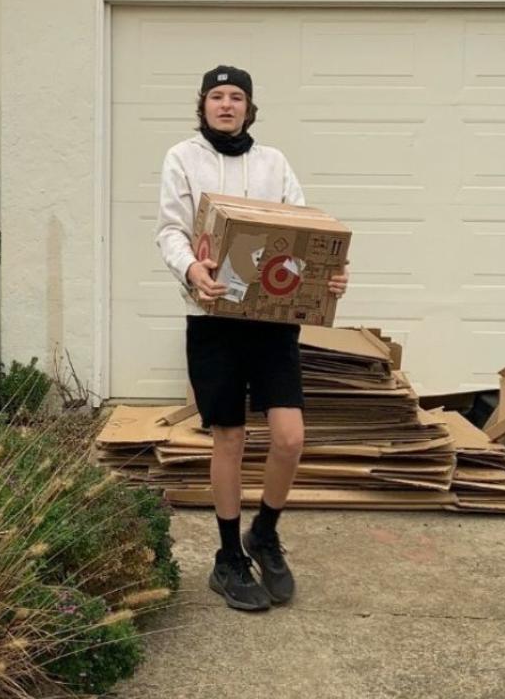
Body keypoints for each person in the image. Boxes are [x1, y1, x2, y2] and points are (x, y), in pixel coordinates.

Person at [155, 65, 348, 612]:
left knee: (289, 437)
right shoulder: (182, 159)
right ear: (203, 105)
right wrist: (192, 269)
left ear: (249, 107)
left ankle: (264, 533)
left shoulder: (274, 164)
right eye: (216, 96)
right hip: (213, 317)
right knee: (230, 439)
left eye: (236, 96)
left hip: (272, 321)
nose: (226, 104)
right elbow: (170, 229)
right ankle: (227, 558)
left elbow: (306, 234)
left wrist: (332, 273)